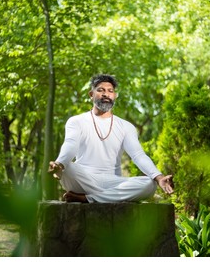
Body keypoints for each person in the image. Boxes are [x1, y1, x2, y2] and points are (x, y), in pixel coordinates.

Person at [48, 74, 174, 203]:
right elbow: (71, 144)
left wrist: (159, 178)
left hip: (114, 182)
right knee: (67, 168)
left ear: (115, 96)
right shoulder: (76, 121)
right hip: (83, 179)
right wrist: (60, 164)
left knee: (149, 184)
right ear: (91, 94)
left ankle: (88, 198)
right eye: (100, 90)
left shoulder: (126, 127)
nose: (106, 94)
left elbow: (138, 155)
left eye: (110, 91)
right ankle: (108, 197)